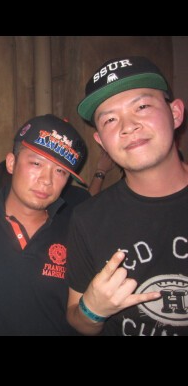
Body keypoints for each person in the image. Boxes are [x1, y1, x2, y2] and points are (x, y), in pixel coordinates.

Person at [66, 56, 188, 336]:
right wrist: (92, 309)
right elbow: (77, 319)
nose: (127, 126)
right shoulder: (87, 219)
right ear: (101, 142)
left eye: (142, 107)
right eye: (110, 119)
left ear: (175, 113)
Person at [0, 114, 88, 335]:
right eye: (36, 163)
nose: (47, 180)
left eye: (60, 171)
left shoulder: (77, 233)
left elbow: (82, 321)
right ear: (11, 163)